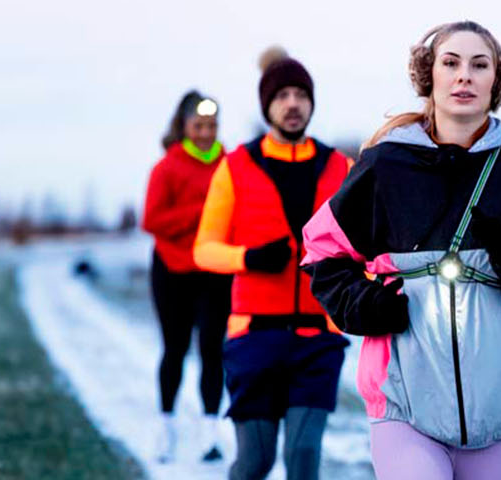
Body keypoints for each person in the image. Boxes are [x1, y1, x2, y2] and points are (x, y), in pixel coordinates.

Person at [300, 21, 501, 480]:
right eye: (450, 63)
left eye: (479, 65)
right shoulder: (384, 167)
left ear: (498, 80)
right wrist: (367, 304)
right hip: (404, 408)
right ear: (427, 76)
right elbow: (322, 251)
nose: (464, 76)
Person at [193, 46, 353, 480]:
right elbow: (203, 249)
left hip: (319, 336)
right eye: (282, 95)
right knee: (255, 462)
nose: (293, 103)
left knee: (303, 456)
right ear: (268, 105)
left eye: (301, 94)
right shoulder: (235, 167)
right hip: (254, 337)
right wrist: (249, 257)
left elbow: (364, 250)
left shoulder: (342, 168)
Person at [141, 90, 232, 463]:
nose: (207, 133)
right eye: (199, 125)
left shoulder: (229, 164)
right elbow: (152, 220)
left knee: (213, 350)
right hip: (172, 272)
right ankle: (167, 427)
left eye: (212, 125)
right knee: (175, 350)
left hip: (213, 272)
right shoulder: (167, 168)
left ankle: (210, 434)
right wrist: (201, 211)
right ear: (184, 127)